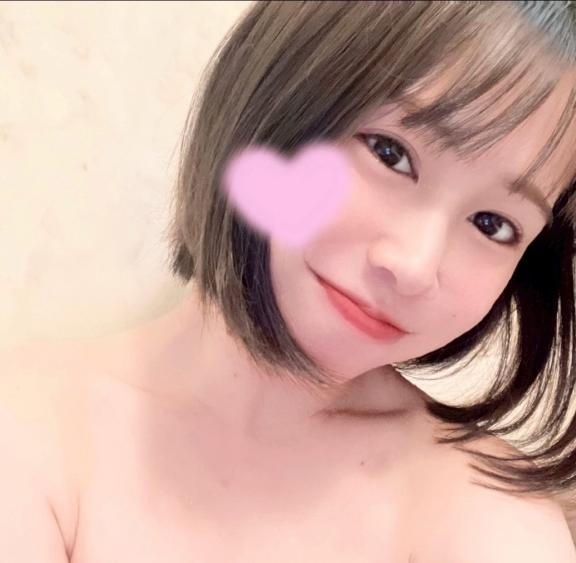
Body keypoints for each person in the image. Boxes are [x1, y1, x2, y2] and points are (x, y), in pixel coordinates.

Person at [3, 1, 576, 561]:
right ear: (276, 92)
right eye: (390, 153)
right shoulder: (32, 432)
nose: (414, 265)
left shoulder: (483, 511)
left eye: (492, 224)